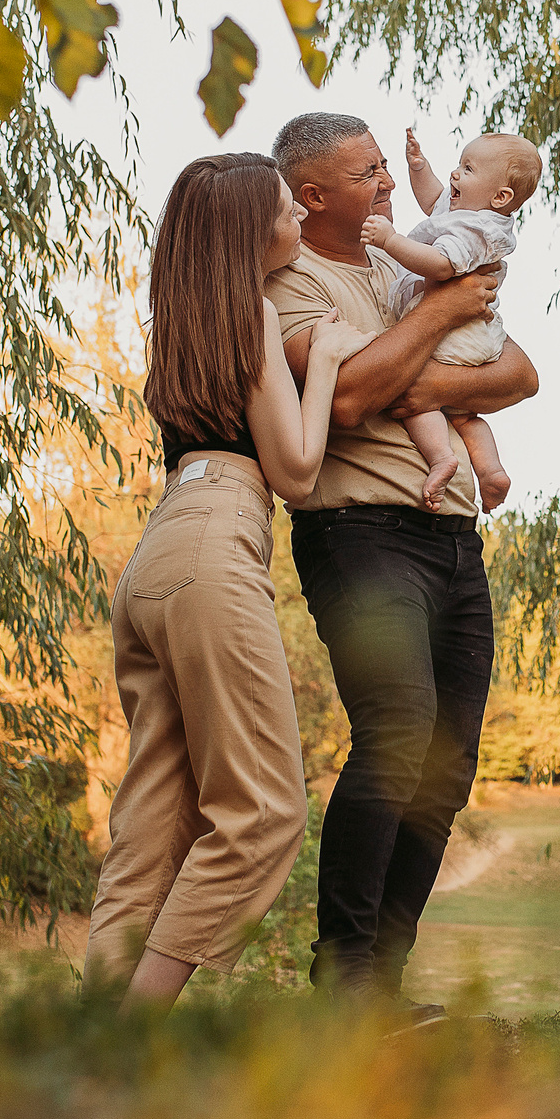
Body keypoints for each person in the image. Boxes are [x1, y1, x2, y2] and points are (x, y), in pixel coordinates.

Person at [264, 111, 540, 1010]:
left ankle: (381, 986)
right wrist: (439, 327)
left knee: (447, 762)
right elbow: (343, 403)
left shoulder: (411, 257)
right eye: (366, 174)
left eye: (387, 166)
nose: (389, 185)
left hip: (454, 537)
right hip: (360, 535)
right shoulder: (285, 281)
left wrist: (418, 361)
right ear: (312, 196)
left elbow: (517, 373)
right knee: (397, 733)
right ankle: (343, 987)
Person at [85, 152, 366, 1008]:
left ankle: (82, 1051)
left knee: (152, 828)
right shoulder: (252, 308)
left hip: (158, 553)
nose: (296, 221)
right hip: (218, 545)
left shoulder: (180, 315)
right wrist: (322, 368)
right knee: (264, 811)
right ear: (254, 228)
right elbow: (296, 469)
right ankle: (131, 1036)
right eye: (285, 209)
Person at [360, 127, 545, 511]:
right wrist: (419, 166)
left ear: (501, 196)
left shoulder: (473, 229)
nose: (455, 175)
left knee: (420, 397)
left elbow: (443, 266)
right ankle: (491, 470)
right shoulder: (471, 214)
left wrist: (390, 240)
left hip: (457, 333)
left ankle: (442, 457)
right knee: (466, 414)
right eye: (458, 165)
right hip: (479, 336)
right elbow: (434, 202)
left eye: (468, 168)